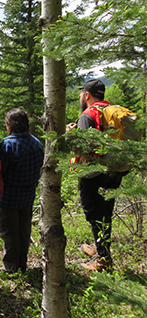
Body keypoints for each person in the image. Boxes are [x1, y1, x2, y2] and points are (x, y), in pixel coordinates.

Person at [67, 78, 125, 271]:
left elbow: (85, 148)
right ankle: (99, 247)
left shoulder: (88, 114)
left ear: (87, 95)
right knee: (106, 211)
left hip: (94, 174)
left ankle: (103, 260)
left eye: (82, 94)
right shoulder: (113, 111)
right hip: (115, 170)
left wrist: (71, 135)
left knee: (95, 214)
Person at [0, 108, 44, 274]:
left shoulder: (7, 146)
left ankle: (12, 269)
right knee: (23, 232)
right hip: (28, 197)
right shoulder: (37, 143)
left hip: (7, 199)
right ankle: (22, 263)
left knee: (9, 234)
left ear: (9, 126)